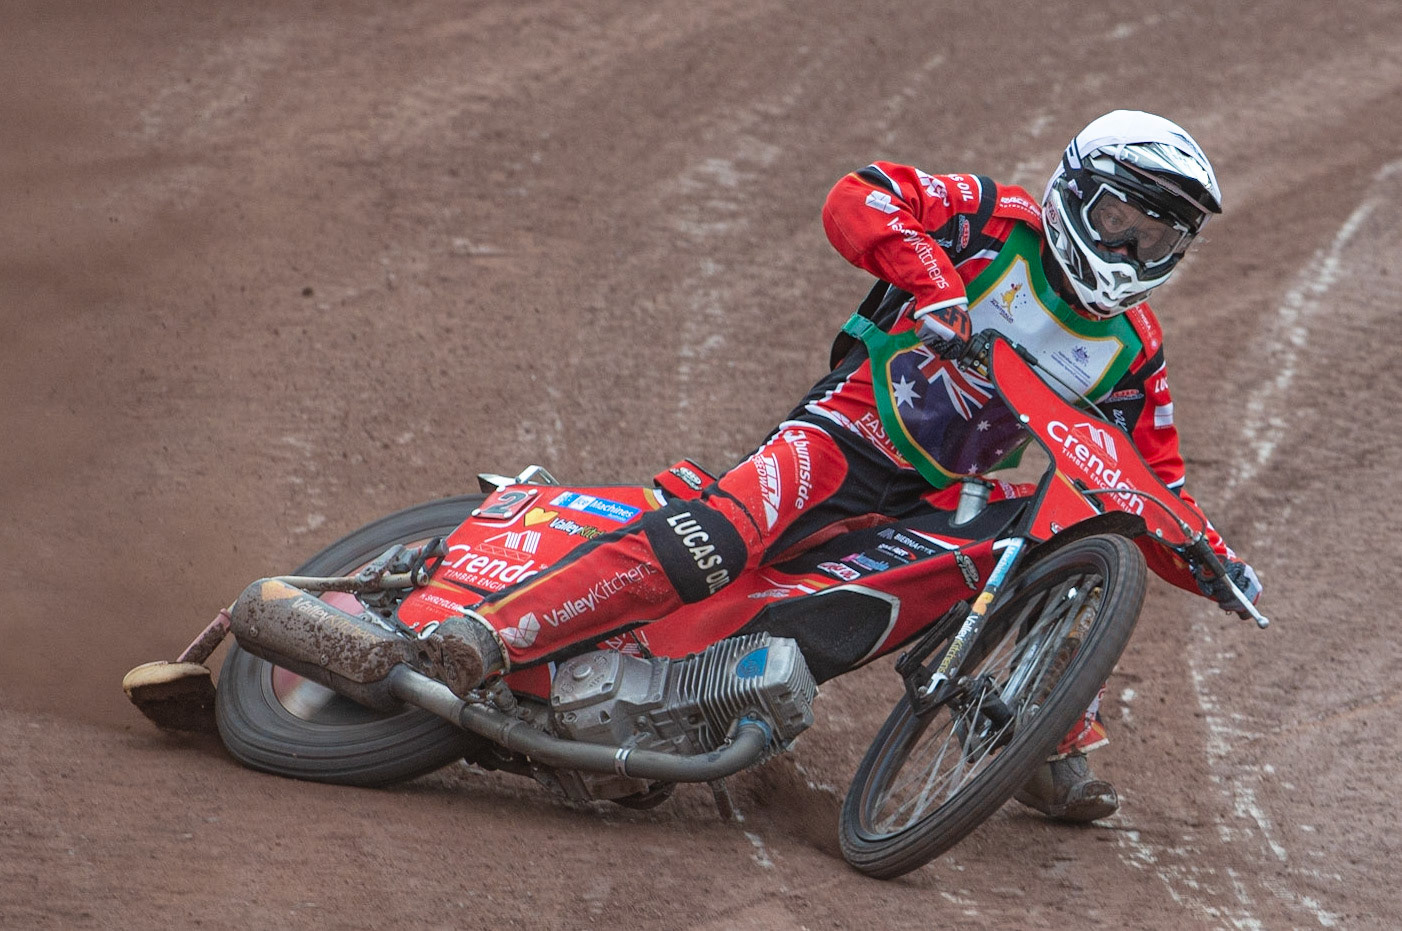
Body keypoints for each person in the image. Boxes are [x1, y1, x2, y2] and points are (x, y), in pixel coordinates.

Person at [411, 110, 1263, 822]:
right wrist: (934, 283)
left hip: (936, 494)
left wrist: (1210, 557)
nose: (1132, 249)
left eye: (1159, 236)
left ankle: (1041, 739)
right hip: (843, 434)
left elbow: (1149, 484)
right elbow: (863, 193)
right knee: (712, 539)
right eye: (1122, 220)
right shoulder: (993, 222)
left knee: (1059, 539)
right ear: (1077, 191)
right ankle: (489, 634)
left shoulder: (1134, 351)